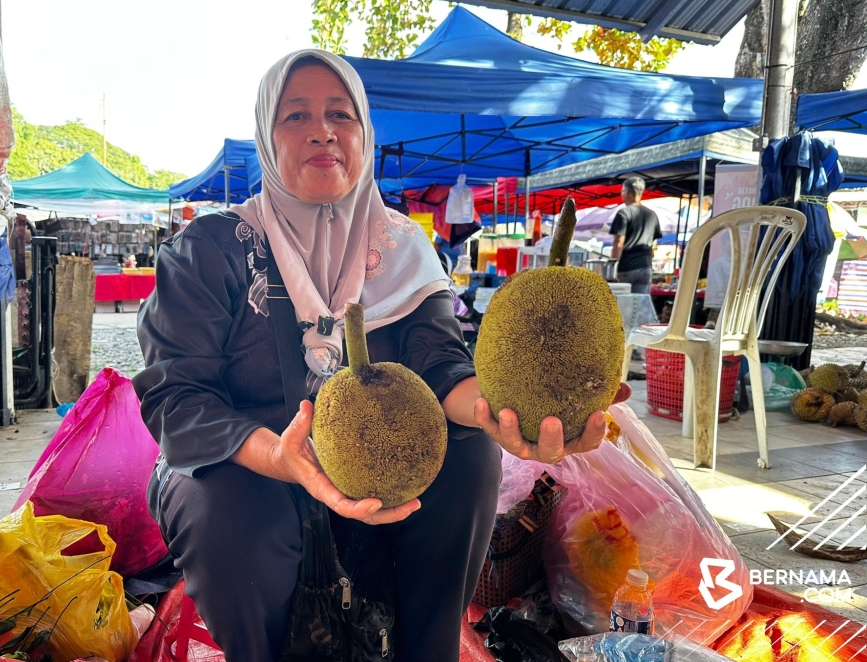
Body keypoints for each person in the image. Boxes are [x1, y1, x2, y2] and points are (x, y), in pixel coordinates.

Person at [133, 50, 629, 662]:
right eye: (296, 116)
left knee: (470, 453)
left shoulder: (401, 246)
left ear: (364, 134)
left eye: (341, 114)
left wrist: (497, 411)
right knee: (227, 509)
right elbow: (176, 396)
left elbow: (442, 362)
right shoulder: (210, 250)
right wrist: (281, 457)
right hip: (247, 463)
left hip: (379, 465)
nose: (323, 130)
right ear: (266, 135)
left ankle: (428, 649)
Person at [610, 177, 663, 294]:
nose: (621, 194)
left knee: (621, 306)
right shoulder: (652, 214)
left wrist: (613, 268)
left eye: (622, 191)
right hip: (645, 267)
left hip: (626, 268)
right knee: (640, 306)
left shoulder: (624, 213)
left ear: (628, 192)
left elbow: (618, 242)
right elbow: (654, 244)